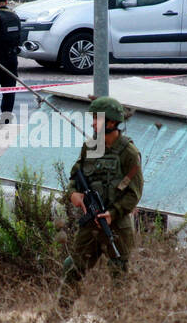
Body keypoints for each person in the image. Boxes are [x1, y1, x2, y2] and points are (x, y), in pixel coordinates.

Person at [61, 96, 144, 302]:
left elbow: (134, 192)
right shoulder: (90, 147)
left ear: (111, 122)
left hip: (116, 224)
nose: (92, 123)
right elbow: (75, 178)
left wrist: (113, 213)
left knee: (119, 275)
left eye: (96, 119)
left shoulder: (128, 153)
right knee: (73, 268)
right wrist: (73, 194)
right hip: (91, 222)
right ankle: (60, 317)